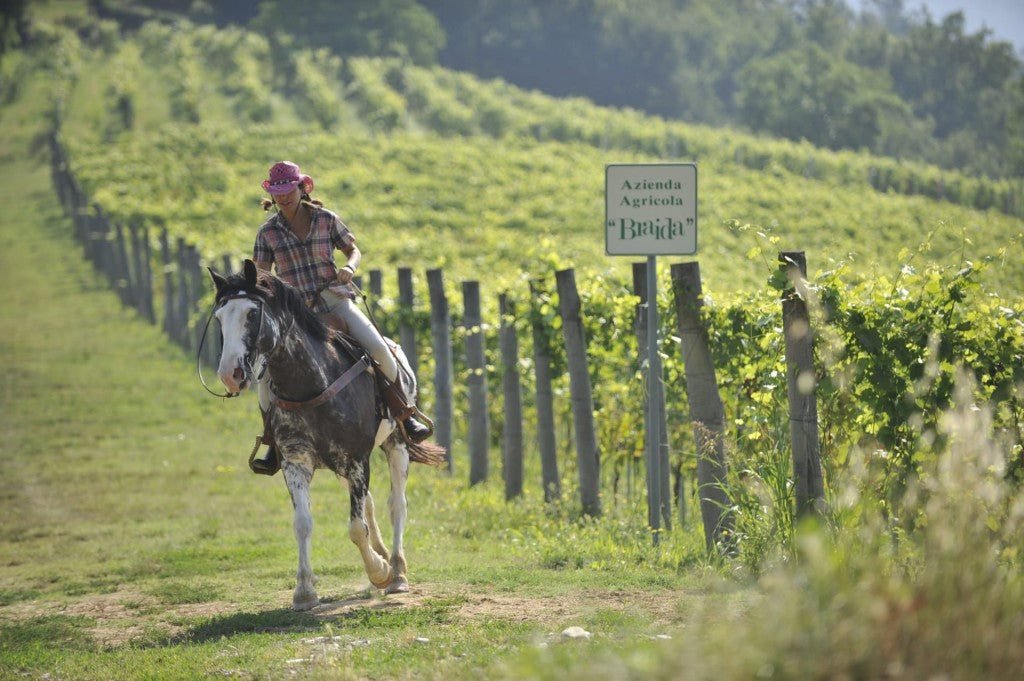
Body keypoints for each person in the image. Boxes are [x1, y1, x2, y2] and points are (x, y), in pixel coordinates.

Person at [250, 161, 431, 471]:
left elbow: (353, 250)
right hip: (296, 315)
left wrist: (349, 268)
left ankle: (404, 414)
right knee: (265, 377)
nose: (282, 197)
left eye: (287, 190)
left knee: (380, 350)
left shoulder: (326, 219)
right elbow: (261, 273)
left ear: (301, 188)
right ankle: (271, 439)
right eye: (277, 192)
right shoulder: (267, 232)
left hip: (335, 301)